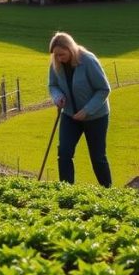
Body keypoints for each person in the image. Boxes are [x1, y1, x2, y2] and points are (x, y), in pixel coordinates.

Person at [48, 31, 112, 187]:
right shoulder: (56, 64)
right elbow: (53, 85)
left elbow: (104, 89)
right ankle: (67, 190)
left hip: (95, 116)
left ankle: (108, 190)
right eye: (55, 55)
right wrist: (57, 97)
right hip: (70, 115)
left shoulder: (88, 61)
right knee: (64, 153)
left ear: (71, 49)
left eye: (62, 55)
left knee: (97, 157)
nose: (58, 58)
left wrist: (87, 110)